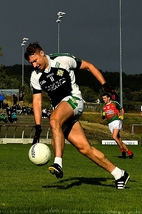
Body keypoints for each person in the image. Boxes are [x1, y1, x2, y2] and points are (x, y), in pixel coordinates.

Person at [25, 42, 129, 189]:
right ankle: (119, 174)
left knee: (54, 119)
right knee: (85, 149)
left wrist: (106, 86)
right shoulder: (35, 77)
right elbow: (37, 101)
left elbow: (89, 66)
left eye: (35, 60)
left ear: (42, 53)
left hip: (74, 100)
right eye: (31, 63)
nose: (34, 65)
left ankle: (58, 163)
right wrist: (37, 127)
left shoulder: (62, 60)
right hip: (63, 111)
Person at [101, 93, 133, 159]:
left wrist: (122, 115)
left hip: (116, 121)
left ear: (108, 98)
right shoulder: (103, 106)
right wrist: (103, 115)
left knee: (114, 136)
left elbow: (121, 108)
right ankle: (129, 152)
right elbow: (103, 117)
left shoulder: (114, 103)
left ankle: (122, 149)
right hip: (110, 123)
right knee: (119, 140)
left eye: (105, 98)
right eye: (103, 98)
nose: (104, 100)